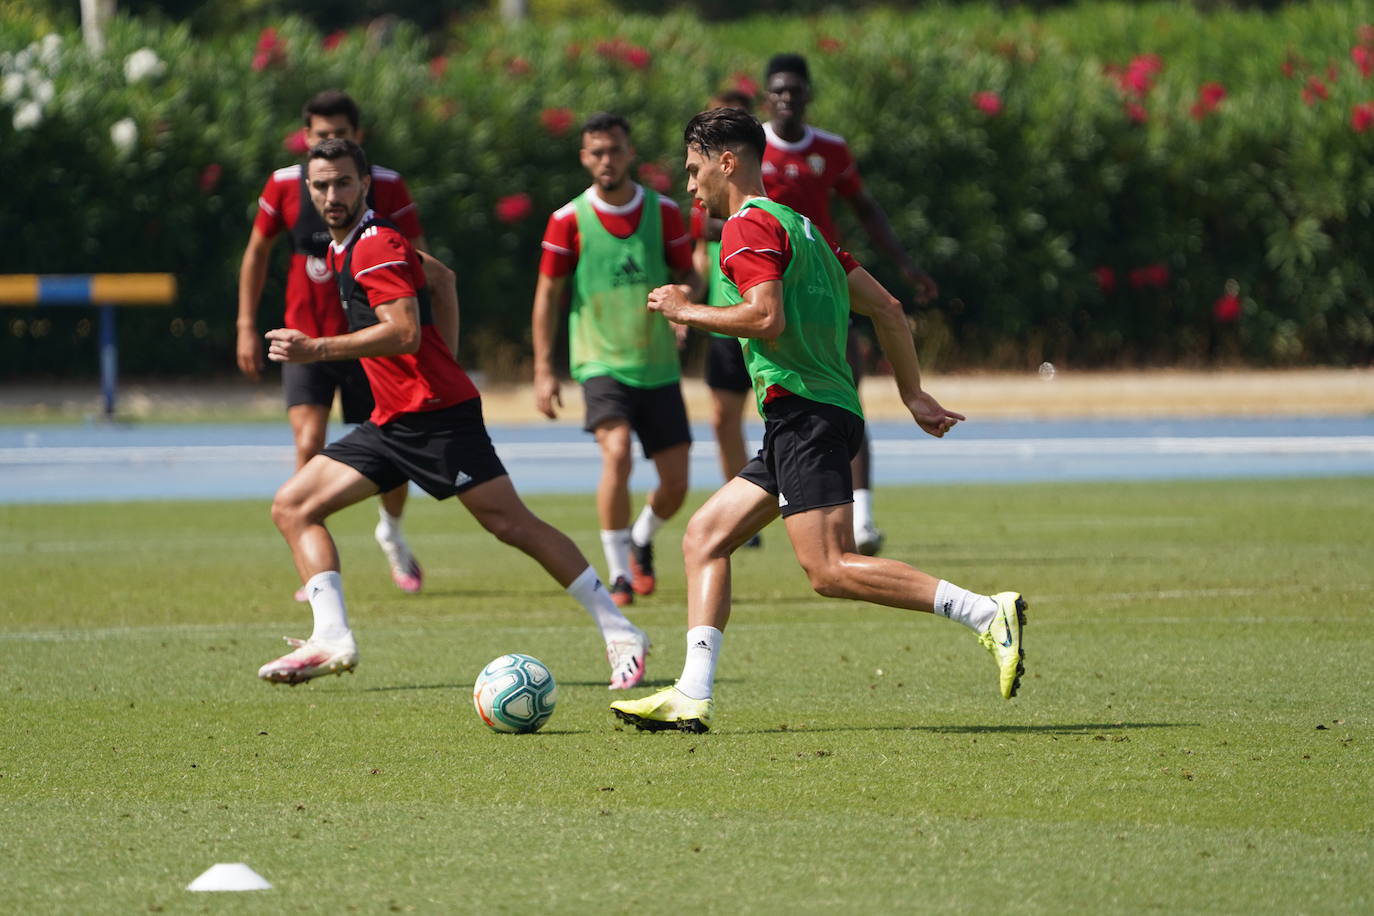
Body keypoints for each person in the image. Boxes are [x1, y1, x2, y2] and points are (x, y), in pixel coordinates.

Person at [609, 108, 1024, 733]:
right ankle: (692, 694)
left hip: (806, 415)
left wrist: (686, 310)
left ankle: (986, 613)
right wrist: (913, 395)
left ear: (728, 161)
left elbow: (764, 316)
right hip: (807, 417)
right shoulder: (804, 228)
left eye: (694, 170)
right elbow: (886, 307)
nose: (689, 186)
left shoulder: (746, 228)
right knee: (703, 538)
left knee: (829, 568)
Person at [258, 138, 650, 691]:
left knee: (512, 524)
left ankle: (621, 631)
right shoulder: (350, 244)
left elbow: (405, 331)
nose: (331, 195)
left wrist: (317, 349)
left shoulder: (373, 245)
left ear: (364, 184)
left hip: (438, 419)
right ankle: (332, 638)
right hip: (394, 419)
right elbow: (444, 280)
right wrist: (448, 358)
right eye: (320, 185)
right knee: (293, 506)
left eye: (343, 182)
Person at [237, 89, 451, 600]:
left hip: (372, 340)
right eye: (320, 134)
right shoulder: (286, 185)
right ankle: (315, 570)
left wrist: (433, 340)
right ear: (306, 139)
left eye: (340, 134)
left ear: (358, 139)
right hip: (308, 339)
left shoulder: (388, 187)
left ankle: (392, 534)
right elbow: (256, 253)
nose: (330, 141)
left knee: (394, 454)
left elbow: (422, 263)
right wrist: (246, 323)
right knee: (307, 441)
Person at [760, 53, 939, 556]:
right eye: (778, 90)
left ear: (808, 94)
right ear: (766, 96)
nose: (787, 98)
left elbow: (866, 208)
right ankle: (789, 509)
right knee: (778, 403)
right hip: (769, 291)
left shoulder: (830, 150)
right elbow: (713, 220)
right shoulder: (752, 150)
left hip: (827, 288)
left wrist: (904, 264)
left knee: (845, 401)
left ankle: (862, 518)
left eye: (795, 89)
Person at [531, 112, 702, 607]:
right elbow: (547, 296)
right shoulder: (568, 220)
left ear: (630, 154)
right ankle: (619, 571)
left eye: (614, 150)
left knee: (675, 484)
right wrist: (544, 369)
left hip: (657, 364)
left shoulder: (664, 212)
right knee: (618, 452)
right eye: (596, 152)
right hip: (599, 362)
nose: (606, 160)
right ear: (585, 158)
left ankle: (642, 537)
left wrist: (684, 306)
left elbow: (689, 274)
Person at [690, 90, 761, 549]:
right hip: (724, 322)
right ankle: (741, 503)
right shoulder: (710, 202)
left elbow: (768, 312)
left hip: (757, 319)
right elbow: (700, 259)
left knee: (779, 412)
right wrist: (689, 304)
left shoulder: (755, 207)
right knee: (723, 419)